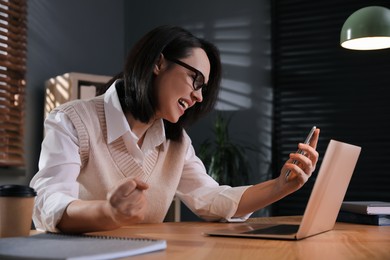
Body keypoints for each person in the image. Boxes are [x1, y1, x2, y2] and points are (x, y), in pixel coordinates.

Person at [30, 25, 320, 233]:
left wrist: (281, 186)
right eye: (195, 80)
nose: (199, 97)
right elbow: (47, 204)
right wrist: (109, 211)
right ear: (158, 63)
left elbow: (212, 199)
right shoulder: (71, 120)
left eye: (204, 88)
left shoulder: (176, 141)